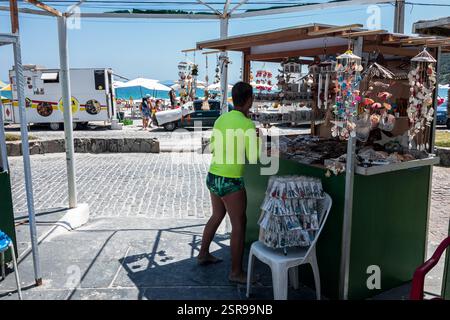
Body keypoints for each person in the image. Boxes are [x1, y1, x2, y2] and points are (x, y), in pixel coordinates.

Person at [198, 82, 260, 284]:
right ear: (249, 100)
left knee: (217, 215)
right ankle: (235, 272)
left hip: (214, 175)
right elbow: (253, 155)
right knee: (239, 224)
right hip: (231, 180)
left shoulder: (220, 119)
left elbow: (214, 148)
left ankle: (203, 253)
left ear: (234, 99)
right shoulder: (247, 124)